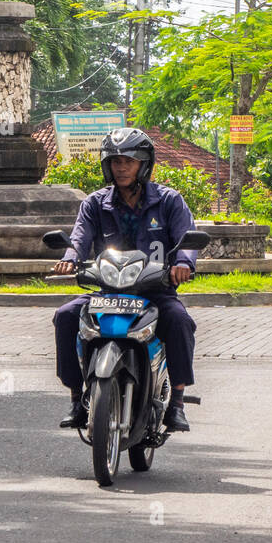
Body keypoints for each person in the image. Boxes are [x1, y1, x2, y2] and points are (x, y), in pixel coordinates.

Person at [51, 127, 200, 433]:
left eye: (129, 161)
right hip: (109, 293)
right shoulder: (95, 203)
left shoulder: (169, 201)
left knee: (180, 321)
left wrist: (183, 263)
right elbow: (79, 238)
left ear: (144, 164)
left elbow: (187, 239)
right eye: (115, 160)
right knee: (65, 316)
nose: (121, 167)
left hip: (155, 291)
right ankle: (77, 398)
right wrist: (69, 258)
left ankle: (178, 403)